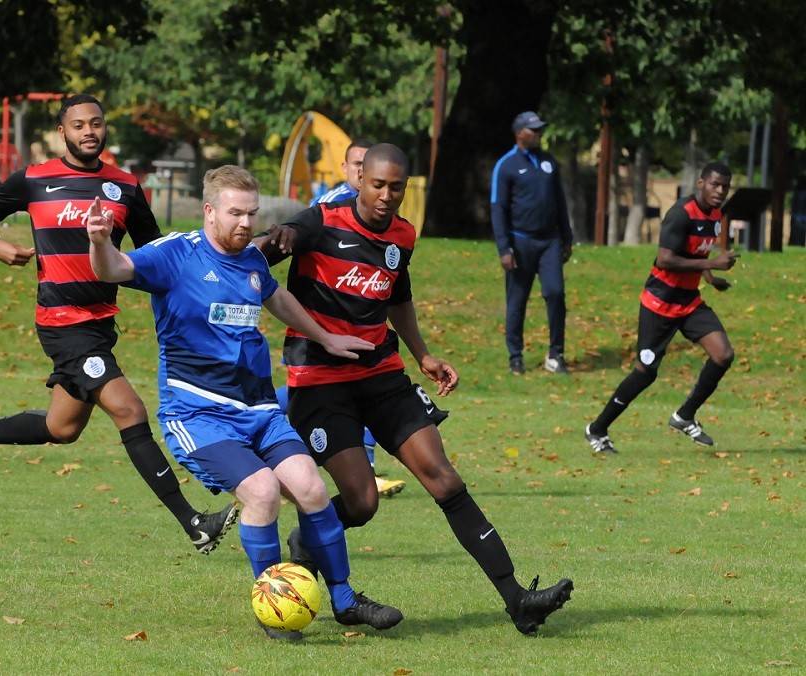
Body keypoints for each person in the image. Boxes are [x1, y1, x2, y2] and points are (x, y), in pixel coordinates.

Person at [256, 143, 573, 635]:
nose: (385, 195)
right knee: (361, 503)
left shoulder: (402, 234)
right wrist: (273, 240)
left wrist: (423, 355)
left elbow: (396, 294)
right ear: (360, 180)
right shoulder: (321, 220)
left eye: (395, 186)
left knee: (444, 480)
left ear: (407, 187)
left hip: (381, 376)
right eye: (376, 184)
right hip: (320, 385)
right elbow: (276, 244)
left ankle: (518, 600)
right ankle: (308, 544)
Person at [87, 165, 402, 641]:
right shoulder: (176, 254)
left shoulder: (252, 259)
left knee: (313, 490)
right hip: (198, 415)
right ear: (209, 212)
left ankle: (344, 599)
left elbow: (278, 299)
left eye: (252, 214)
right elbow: (115, 268)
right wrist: (98, 241)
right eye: (235, 213)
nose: (245, 224)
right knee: (261, 491)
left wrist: (326, 337)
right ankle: (273, 607)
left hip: (258, 411)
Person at [0, 94, 237, 554]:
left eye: (95, 124)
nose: (88, 132)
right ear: (63, 132)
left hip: (99, 325)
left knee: (62, 428)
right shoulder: (36, 179)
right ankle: (194, 522)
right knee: (130, 411)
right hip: (60, 322)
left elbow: (152, 254)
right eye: (78, 126)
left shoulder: (125, 187)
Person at [584, 162, 738, 455]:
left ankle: (684, 416)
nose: (720, 191)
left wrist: (711, 278)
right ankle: (597, 429)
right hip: (659, 303)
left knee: (723, 354)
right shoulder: (681, 214)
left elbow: (697, 251)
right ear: (701, 183)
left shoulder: (715, 214)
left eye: (725, 187)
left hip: (689, 301)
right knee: (645, 373)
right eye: (715, 185)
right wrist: (711, 264)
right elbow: (665, 259)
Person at [305, 137, 405, 495]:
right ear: (349, 170)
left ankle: (368, 470)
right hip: (323, 343)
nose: (366, 172)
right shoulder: (328, 209)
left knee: (368, 385)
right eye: (359, 165)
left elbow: (397, 290)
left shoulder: (395, 226)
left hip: (365, 340)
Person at [490, 111, 573, 375]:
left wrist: (567, 237)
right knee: (517, 300)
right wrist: (504, 248)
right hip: (520, 241)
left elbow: (559, 201)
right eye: (533, 130)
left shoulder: (549, 162)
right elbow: (498, 208)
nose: (538, 134)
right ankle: (515, 355)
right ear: (519, 133)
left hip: (549, 241)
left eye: (539, 130)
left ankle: (556, 353)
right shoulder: (506, 165)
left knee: (555, 293)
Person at [275, 386, 404, 498]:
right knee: (301, 393)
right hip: (313, 366)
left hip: (345, 369)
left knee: (363, 406)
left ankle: (370, 475)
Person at [308, 138, 373, 206]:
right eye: (358, 164)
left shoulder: (381, 200)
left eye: (367, 164)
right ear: (345, 167)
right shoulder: (329, 204)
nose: (362, 169)